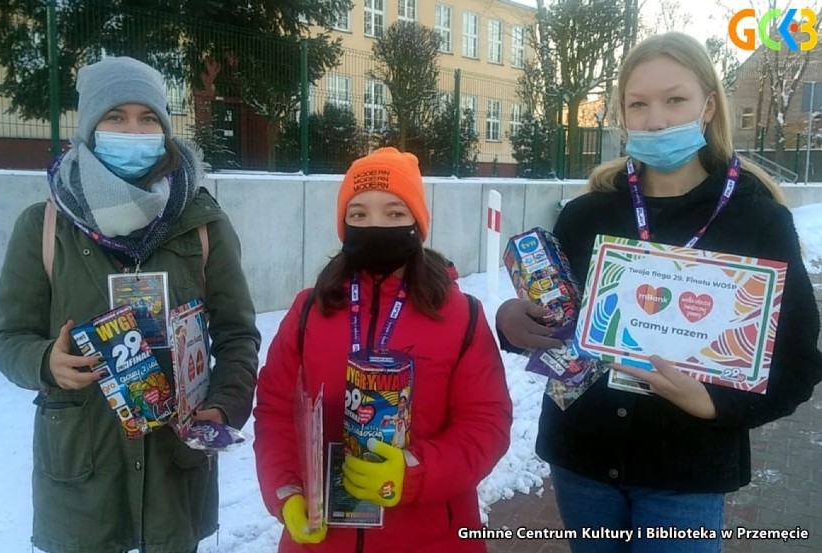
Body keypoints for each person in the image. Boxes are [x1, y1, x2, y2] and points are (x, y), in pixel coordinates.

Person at [496, 32, 822, 552]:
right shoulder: (587, 214)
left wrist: (715, 405)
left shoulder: (757, 221)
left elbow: (800, 363)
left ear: (709, 105)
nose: (657, 120)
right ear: (622, 114)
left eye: (675, 100)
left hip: (686, 472)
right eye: (638, 104)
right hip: (582, 459)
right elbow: (555, 316)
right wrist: (513, 321)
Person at [0, 56, 260, 553]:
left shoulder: (201, 223)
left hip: (173, 471)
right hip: (83, 474)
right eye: (116, 117)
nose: (133, 130)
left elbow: (238, 335)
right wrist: (45, 362)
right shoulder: (44, 227)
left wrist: (223, 407)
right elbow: (8, 339)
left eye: (148, 117)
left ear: (164, 126)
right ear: (91, 127)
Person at [254, 147, 512, 552]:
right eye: (359, 214)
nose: (376, 225)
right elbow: (275, 412)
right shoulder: (308, 310)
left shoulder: (462, 316)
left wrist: (414, 473)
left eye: (394, 213)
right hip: (321, 537)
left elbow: (486, 425)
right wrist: (287, 492)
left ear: (418, 223)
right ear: (343, 225)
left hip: (431, 538)